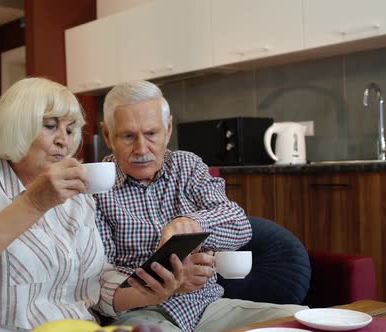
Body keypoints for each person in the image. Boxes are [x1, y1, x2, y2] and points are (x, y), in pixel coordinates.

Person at [0, 77, 186, 332]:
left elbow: (93, 285)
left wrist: (146, 292)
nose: (63, 140)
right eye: (50, 126)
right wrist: (33, 203)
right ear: (16, 125)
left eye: (70, 130)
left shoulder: (77, 196)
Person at [95, 80, 307, 332]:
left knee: (301, 320)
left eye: (152, 133)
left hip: (207, 308)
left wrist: (194, 223)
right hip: (142, 315)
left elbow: (239, 224)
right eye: (129, 136)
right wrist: (166, 284)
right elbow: (100, 283)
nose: (142, 149)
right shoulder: (96, 188)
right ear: (107, 135)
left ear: (168, 128)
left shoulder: (187, 166)